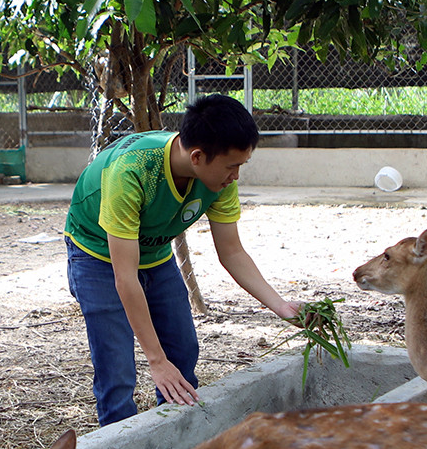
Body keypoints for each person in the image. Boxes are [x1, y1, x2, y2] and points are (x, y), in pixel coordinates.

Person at [64, 94, 299, 425]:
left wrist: (281, 306)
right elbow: (125, 278)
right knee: (117, 370)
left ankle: (172, 442)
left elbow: (231, 251)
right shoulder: (131, 171)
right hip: (96, 253)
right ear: (198, 157)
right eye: (232, 166)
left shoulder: (219, 179)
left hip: (153, 252)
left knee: (184, 351)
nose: (236, 177)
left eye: (240, 166)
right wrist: (156, 361)